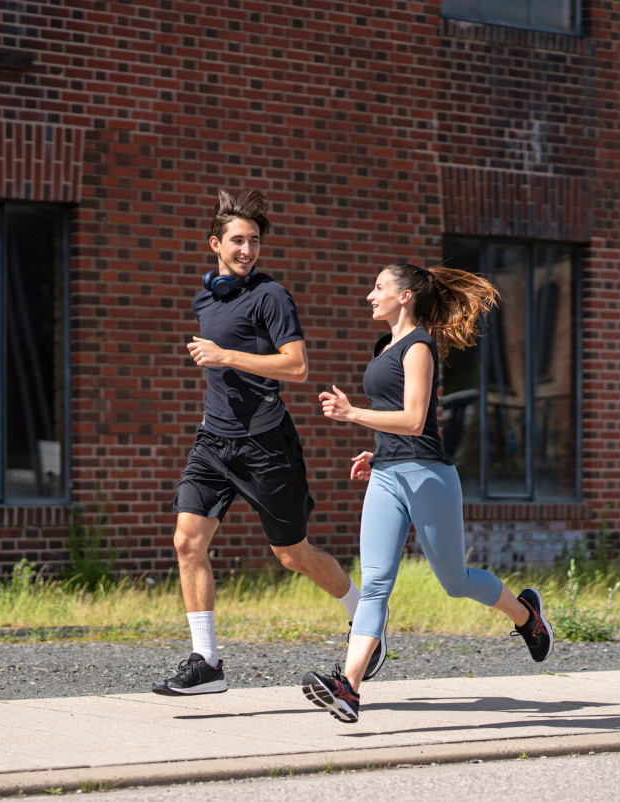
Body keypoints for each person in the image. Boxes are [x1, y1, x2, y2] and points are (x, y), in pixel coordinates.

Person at [153, 188, 386, 696]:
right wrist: (221, 358)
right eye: (238, 240)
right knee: (186, 541)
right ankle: (207, 662)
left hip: (266, 443)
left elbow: (297, 367)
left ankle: (365, 619)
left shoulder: (271, 295)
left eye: (254, 241)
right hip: (214, 440)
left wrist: (225, 356)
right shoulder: (205, 297)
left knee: (292, 554)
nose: (247, 250)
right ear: (216, 243)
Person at [301, 262, 554, 723]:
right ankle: (349, 688)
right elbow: (394, 421)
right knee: (375, 584)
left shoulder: (419, 347)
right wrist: (377, 453)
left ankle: (527, 618)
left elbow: (416, 421)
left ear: (404, 297)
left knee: (454, 581)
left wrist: (352, 414)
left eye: (378, 287)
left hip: (427, 475)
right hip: (387, 474)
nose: (369, 295)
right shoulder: (385, 347)